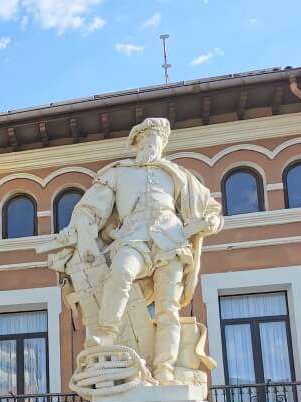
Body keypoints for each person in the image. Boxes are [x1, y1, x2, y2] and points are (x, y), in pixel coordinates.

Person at [51, 117, 223, 384]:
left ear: (163, 144)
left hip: (171, 242)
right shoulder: (117, 173)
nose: (152, 147)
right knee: (119, 273)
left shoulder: (178, 176)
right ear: (137, 143)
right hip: (133, 239)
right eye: (147, 141)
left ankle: (164, 368)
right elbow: (88, 209)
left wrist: (211, 220)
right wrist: (82, 233)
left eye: (157, 141)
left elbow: (211, 209)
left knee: (168, 308)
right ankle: (106, 335)